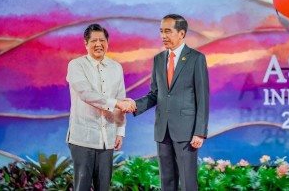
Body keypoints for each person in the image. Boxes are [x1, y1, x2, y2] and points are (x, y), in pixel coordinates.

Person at [133, 14, 210, 191]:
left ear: (181, 33)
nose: (163, 36)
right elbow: (156, 94)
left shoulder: (196, 58)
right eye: (161, 31)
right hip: (163, 130)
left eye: (168, 31)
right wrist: (135, 105)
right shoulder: (158, 59)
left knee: (188, 181)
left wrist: (200, 132)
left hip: (187, 131)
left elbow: (202, 97)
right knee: (167, 181)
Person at [66, 23, 136, 191]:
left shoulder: (116, 67)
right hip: (83, 138)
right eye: (94, 41)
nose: (98, 44)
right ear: (86, 43)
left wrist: (120, 131)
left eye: (102, 40)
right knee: (81, 186)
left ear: (107, 42)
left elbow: (121, 97)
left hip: (108, 138)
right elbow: (86, 94)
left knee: (103, 187)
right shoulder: (76, 65)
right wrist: (117, 103)